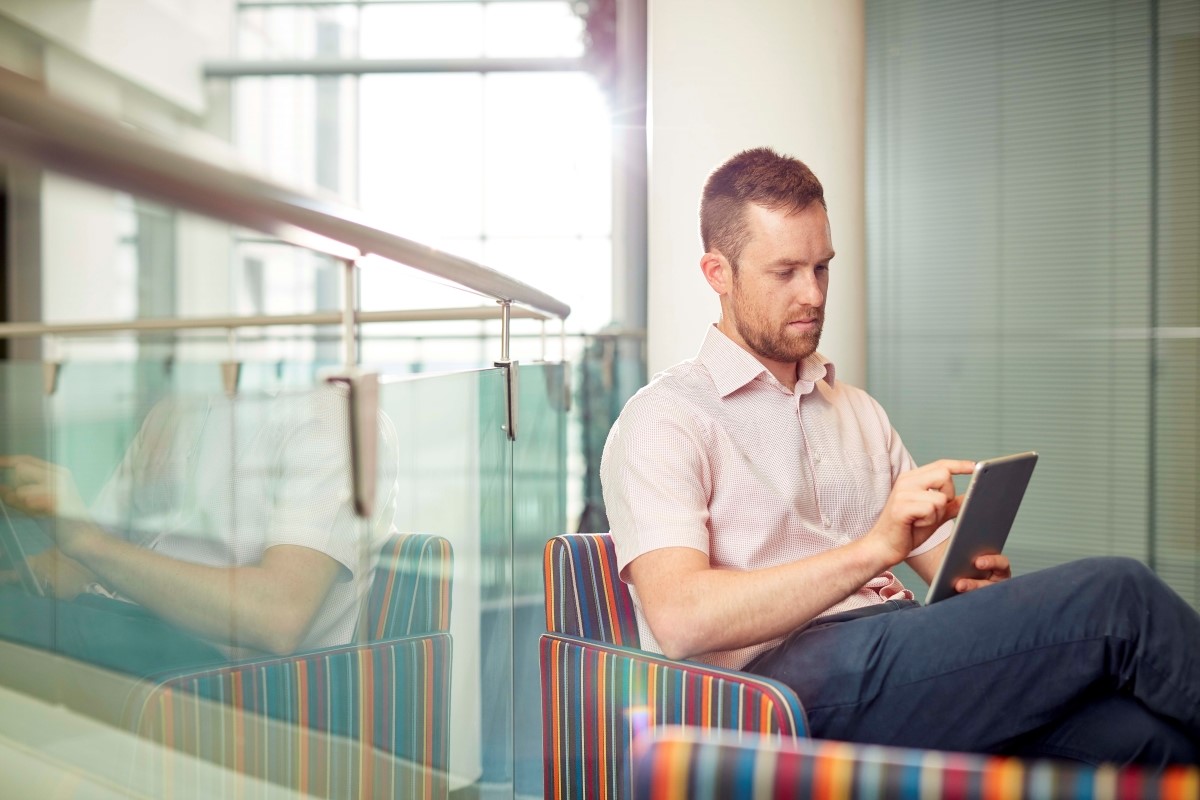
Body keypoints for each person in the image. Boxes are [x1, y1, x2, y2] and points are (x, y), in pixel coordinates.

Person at [601, 147, 1200, 767]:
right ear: (717, 273)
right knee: (1118, 597)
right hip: (783, 688)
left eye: (822, 268)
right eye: (785, 272)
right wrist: (874, 550)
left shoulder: (856, 410)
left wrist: (976, 588)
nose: (812, 294)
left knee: (1149, 742)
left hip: (899, 654)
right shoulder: (666, 419)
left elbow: (936, 563)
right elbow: (678, 620)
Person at [0, 385, 398, 676]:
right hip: (124, 625)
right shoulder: (180, 407)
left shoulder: (330, 419)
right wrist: (29, 568)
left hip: (230, 677)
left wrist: (87, 543)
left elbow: (278, 617)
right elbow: (94, 560)